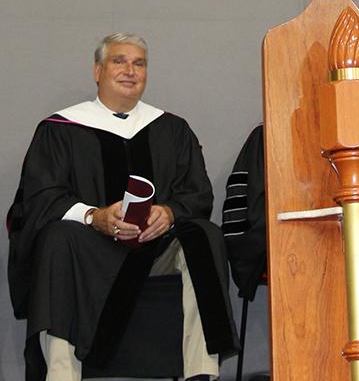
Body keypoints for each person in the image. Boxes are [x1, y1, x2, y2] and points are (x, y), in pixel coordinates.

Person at [7, 33, 239, 381]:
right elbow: (40, 197)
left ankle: (201, 371)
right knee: (56, 238)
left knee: (203, 235)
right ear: (97, 71)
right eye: (119, 61)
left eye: (139, 63)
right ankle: (60, 373)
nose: (130, 70)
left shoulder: (171, 129)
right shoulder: (60, 128)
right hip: (87, 249)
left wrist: (170, 212)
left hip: (154, 249)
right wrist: (94, 216)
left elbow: (197, 193)